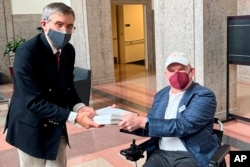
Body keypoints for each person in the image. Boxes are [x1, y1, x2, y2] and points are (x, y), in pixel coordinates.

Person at [3, 2, 101, 167]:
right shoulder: (27, 53)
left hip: (56, 122)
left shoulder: (68, 50)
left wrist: (79, 107)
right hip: (30, 126)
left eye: (69, 26)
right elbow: (33, 101)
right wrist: (75, 118)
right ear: (44, 24)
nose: (65, 31)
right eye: (59, 24)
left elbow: (68, 86)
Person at [118, 52, 221, 167]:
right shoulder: (161, 95)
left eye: (181, 69)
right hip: (161, 154)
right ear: (166, 75)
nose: (176, 74)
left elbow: (184, 126)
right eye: (171, 71)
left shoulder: (203, 95)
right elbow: (151, 126)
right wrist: (122, 119)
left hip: (191, 155)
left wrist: (142, 121)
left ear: (191, 72)